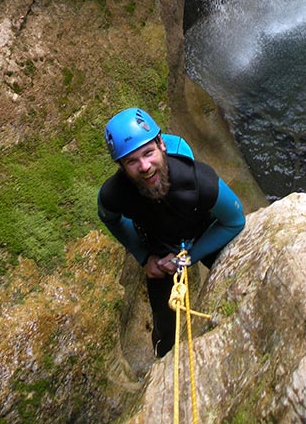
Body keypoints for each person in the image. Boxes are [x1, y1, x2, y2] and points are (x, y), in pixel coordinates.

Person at [97, 106, 245, 357]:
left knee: (239, 286)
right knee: (166, 325)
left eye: (148, 153)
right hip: (159, 244)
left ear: (162, 144)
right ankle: (163, 356)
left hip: (203, 230)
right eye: (132, 161)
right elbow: (109, 218)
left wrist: (188, 258)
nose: (144, 166)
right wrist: (144, 257)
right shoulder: (115, 193)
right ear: (121, 166)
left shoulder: (198, 182)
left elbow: (234, 221)